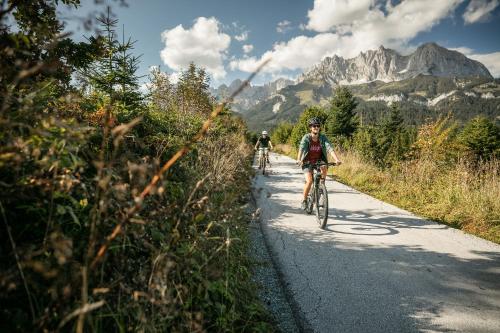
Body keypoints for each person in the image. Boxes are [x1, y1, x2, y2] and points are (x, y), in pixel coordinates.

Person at [296, 118, 342, 210]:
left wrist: (336, 159)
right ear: (310, 128)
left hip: (319, 160)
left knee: (324, 166)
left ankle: (322, 185)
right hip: (307, 161)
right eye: (314, 126)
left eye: (318, 126)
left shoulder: (322, 137)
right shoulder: (307, 137)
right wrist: (299, 159)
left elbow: (329, 148)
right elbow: (301, 147)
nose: (316, 127)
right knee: (309, 181)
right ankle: (304, 200)